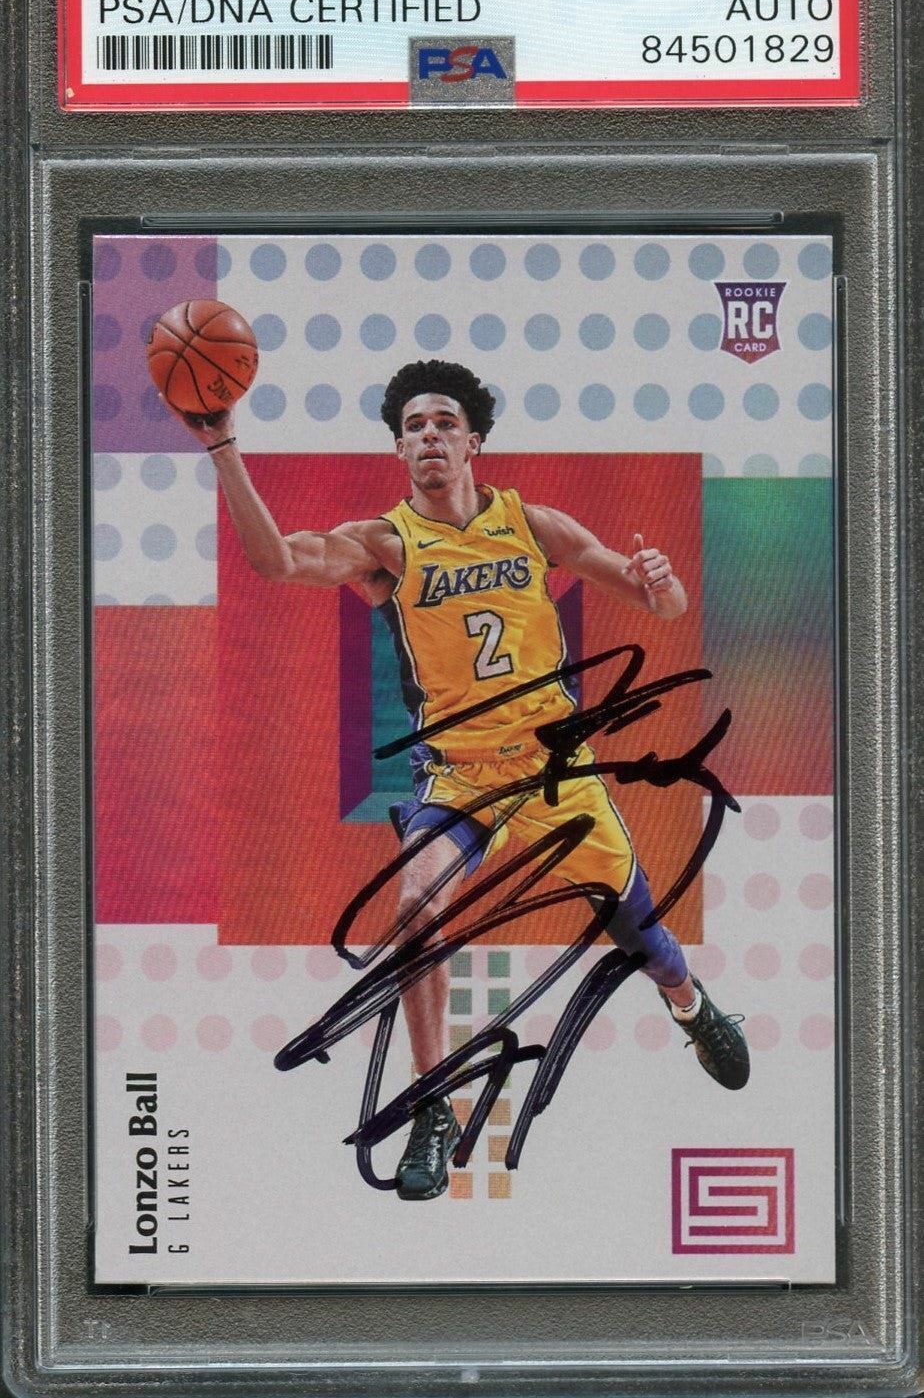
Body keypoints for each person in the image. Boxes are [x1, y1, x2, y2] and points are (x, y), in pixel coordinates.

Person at [175, 357, 749, 1201]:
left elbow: (659, 606)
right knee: (416, 905)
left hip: (555, 771)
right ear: (399, 451)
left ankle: (692, 1006)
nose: (429, 436)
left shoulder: (533, 525)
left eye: (444, 422)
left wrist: (660, 585)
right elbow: (278, 561)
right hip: (460, 777)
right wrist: (223, 447)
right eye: (413, 427)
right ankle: (433, 1104)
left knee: (640, 928)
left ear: (474, 441)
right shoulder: (384, 544)